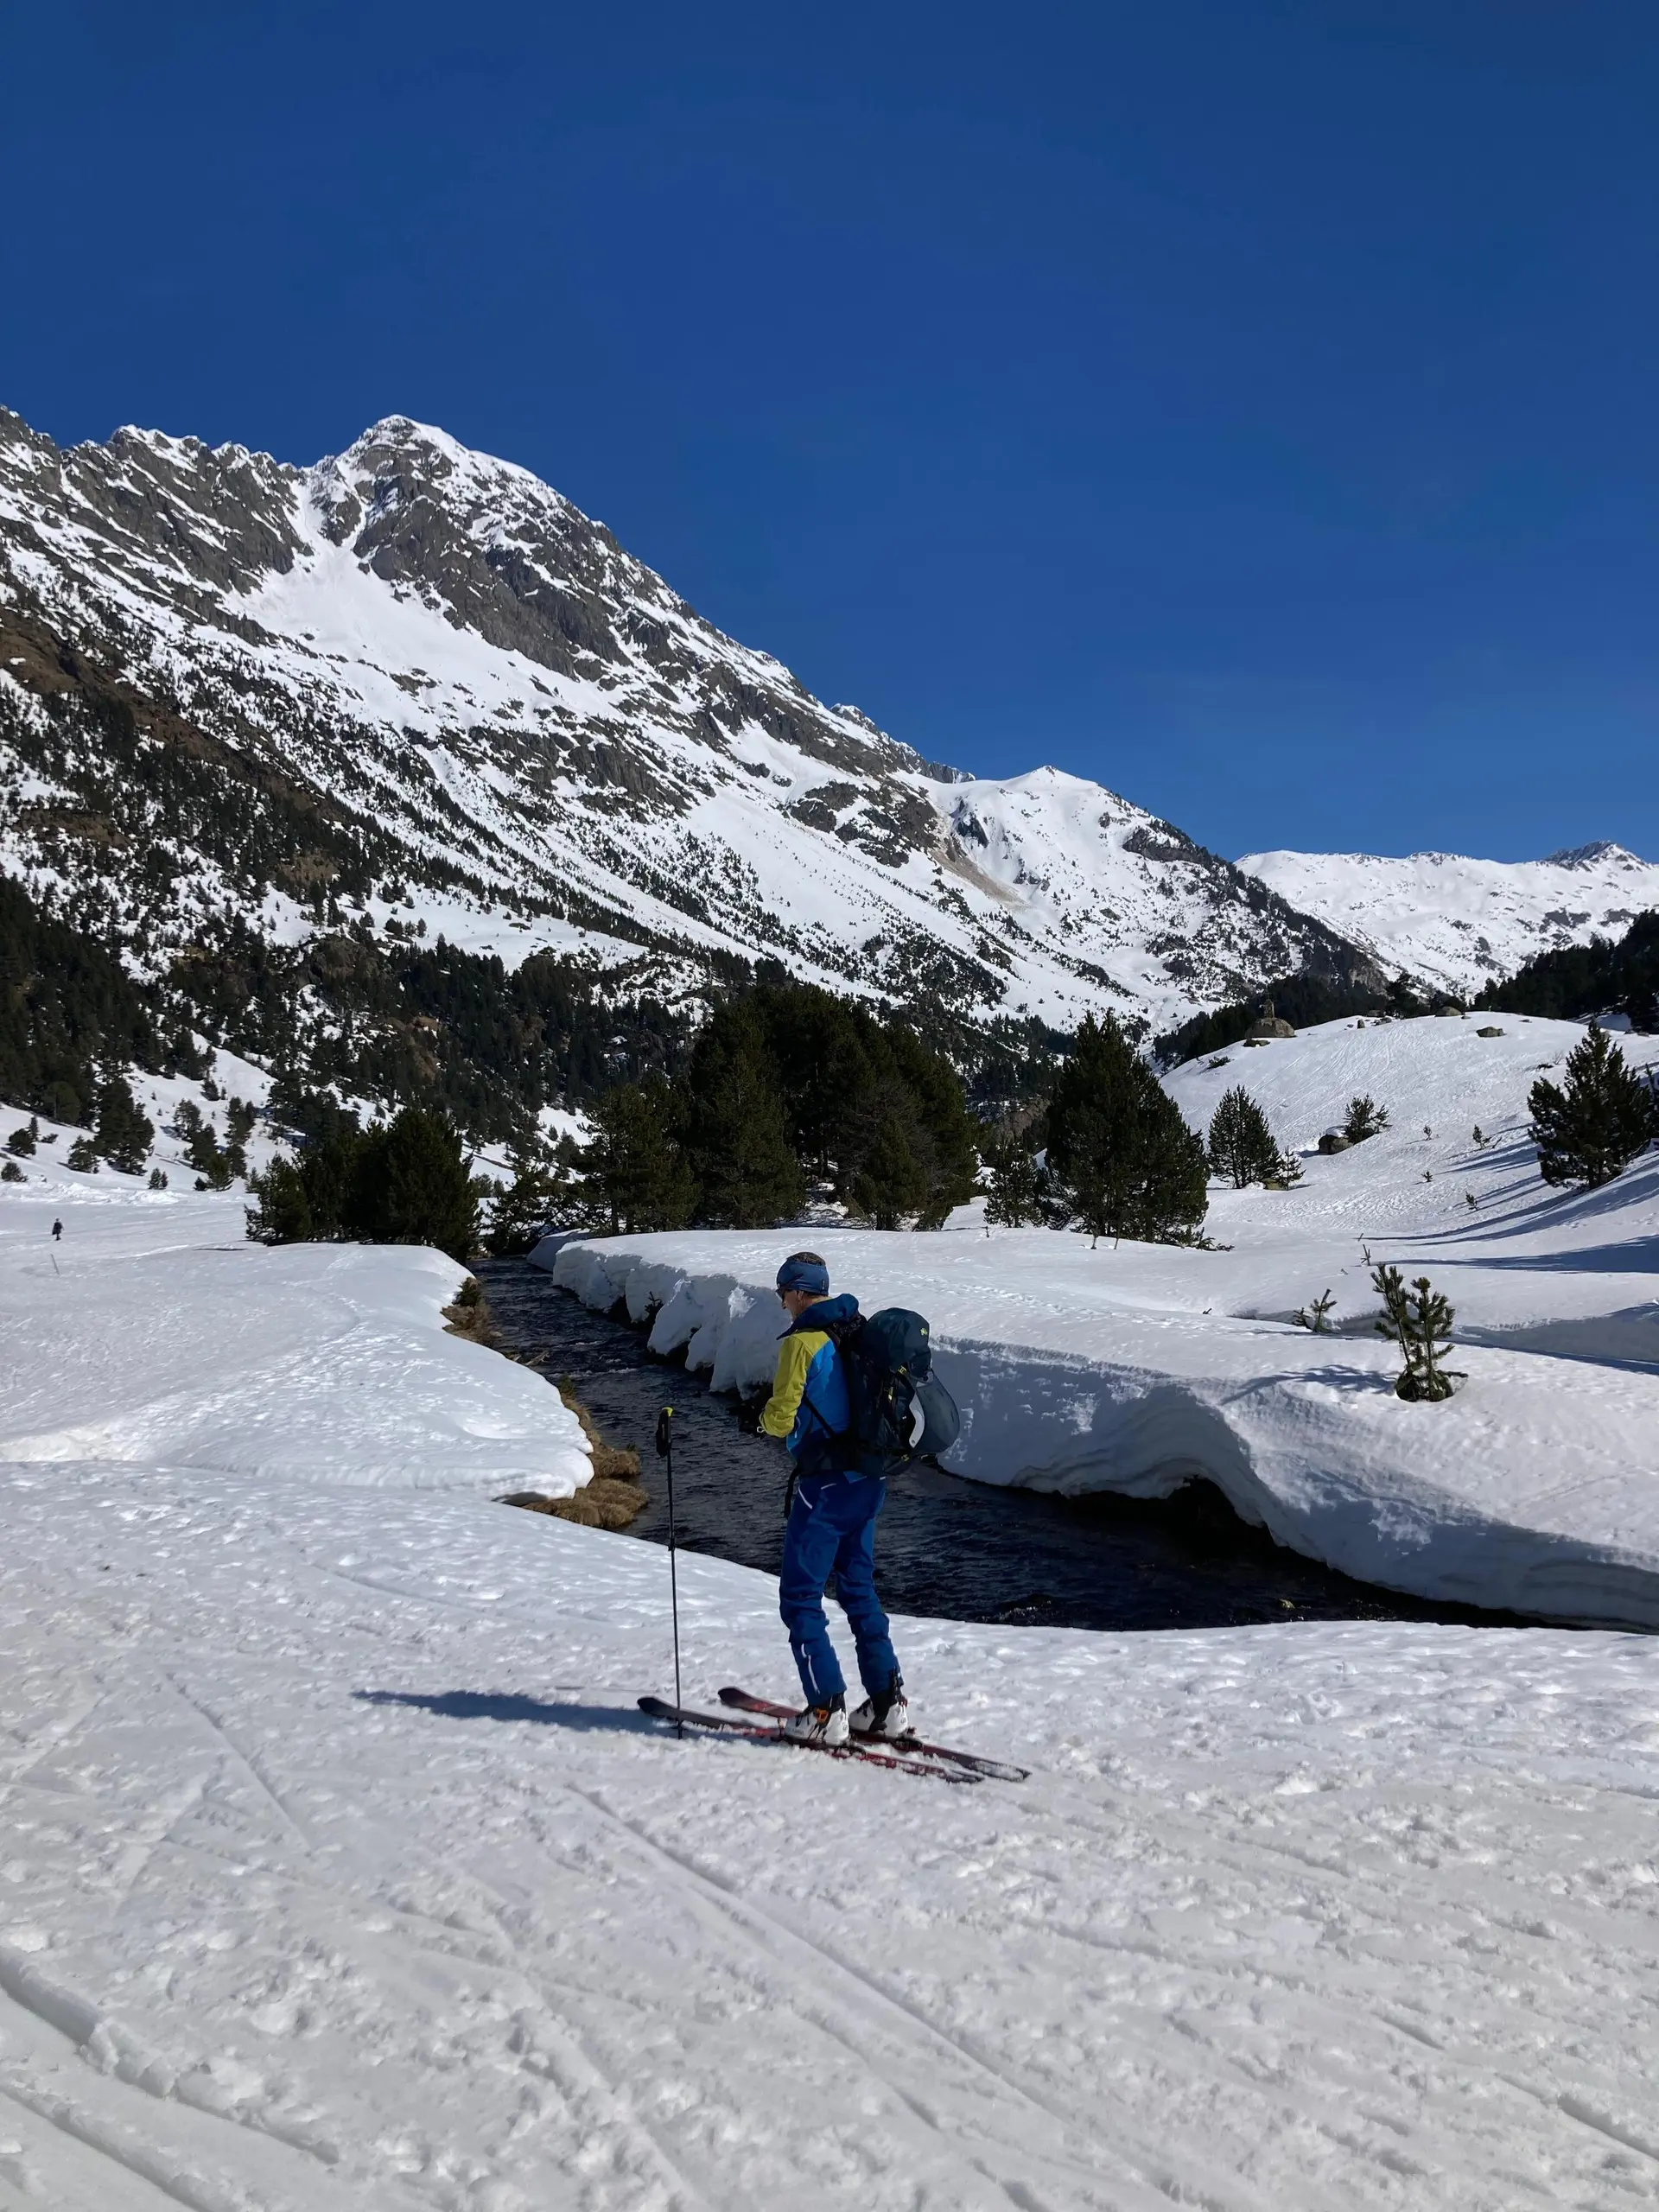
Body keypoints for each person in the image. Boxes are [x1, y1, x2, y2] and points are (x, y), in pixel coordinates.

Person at [757, 1251, 909, 1745]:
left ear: (799, 1293)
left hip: (823, 1486)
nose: (784, 1305)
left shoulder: (803, 1343)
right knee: (858, 1589)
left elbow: (781, 1420)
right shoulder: (858, 1329)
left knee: (801, 1597)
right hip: (869, 1479)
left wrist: (760, 1419)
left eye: (785, 1295)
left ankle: (825, 1713)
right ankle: (888, 1706)